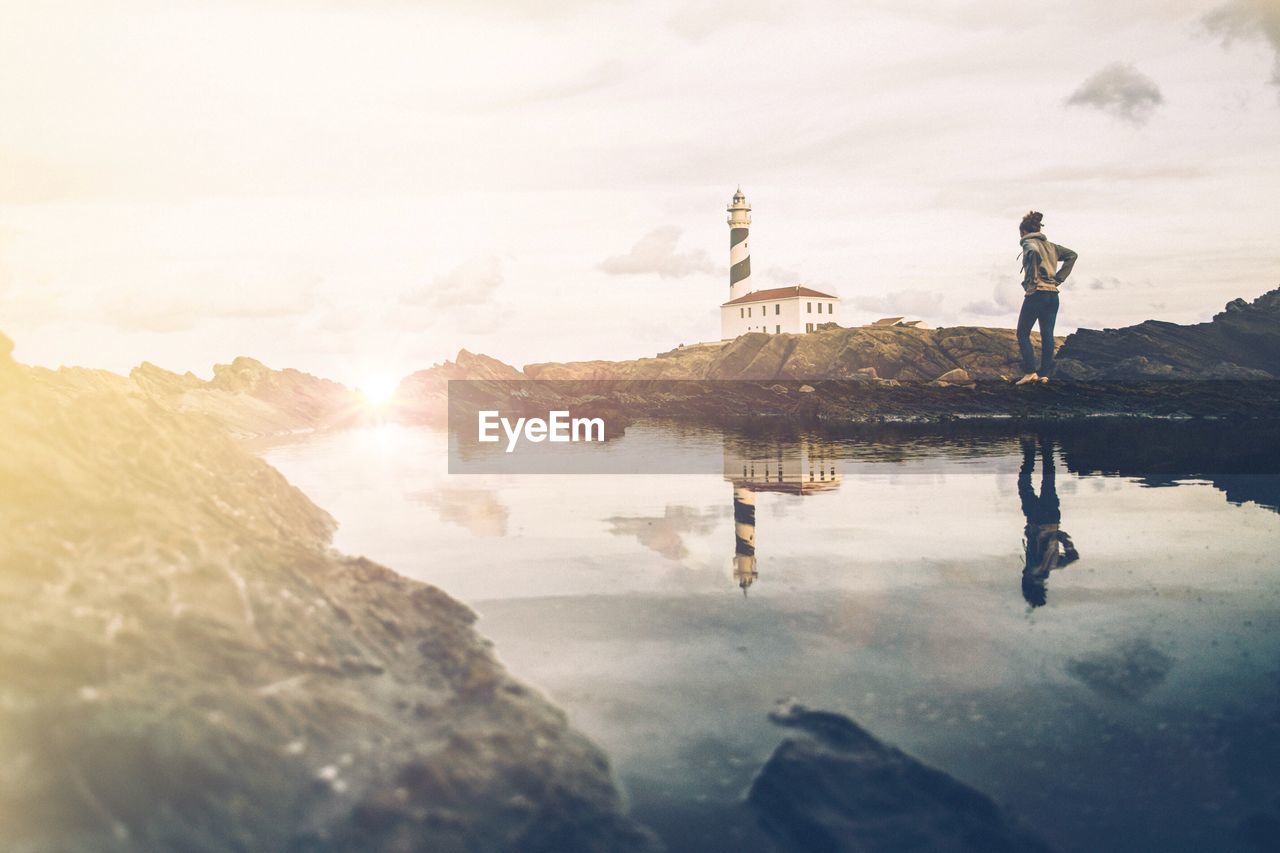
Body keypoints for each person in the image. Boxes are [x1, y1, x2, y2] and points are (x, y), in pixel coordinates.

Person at [1015, 211, 1077, 385]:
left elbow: (1033, 252)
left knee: (1022, 333)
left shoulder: (1028, 242)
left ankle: (1029, 372)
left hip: (1037, 293)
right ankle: (1044, 374)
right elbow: (1072, 255)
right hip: (1053, 295)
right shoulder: (1051, 246)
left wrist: (1033, 280)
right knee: (1047, 334)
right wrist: (1058, 279)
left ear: (1024, 231)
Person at [1018, 434, 1079, 607]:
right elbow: (1042, 546)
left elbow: (1073, 556)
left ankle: (1046, 446)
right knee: (1024, 485)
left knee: (1048, 481)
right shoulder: (1034, 568)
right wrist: (1051, 537)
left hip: (1052, 519)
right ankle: (1030, 450)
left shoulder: (1053, 565)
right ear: (1027, 583)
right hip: (1037, 520)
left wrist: (1062, 538)